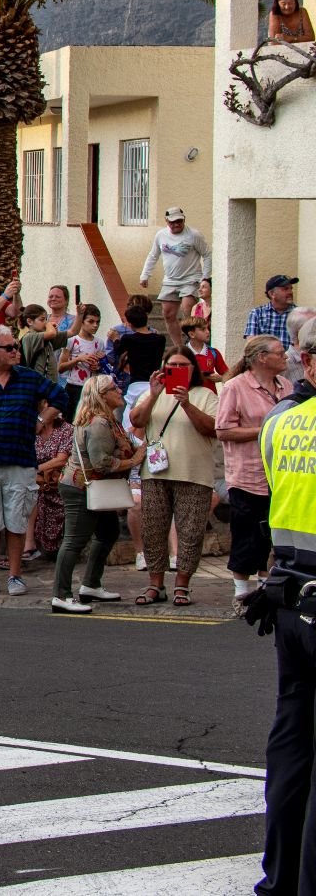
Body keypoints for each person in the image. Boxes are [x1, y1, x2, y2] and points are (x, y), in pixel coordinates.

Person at [256, 317, 316, 894]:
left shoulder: (279, 422)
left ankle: (278, 880)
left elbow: (277, 495)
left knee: (293, 745)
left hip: (290, 594)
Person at [0, 323, 71, 596]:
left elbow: (60, 396)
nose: (15, 351)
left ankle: (16, 576)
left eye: (15, 346)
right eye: (9, 347)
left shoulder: (28, 378)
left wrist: (42, 420)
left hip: (20, 459)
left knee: (17, 520)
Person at [129, 347, 219, 607]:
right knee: (153, 530)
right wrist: (154, 395)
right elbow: (136, 421)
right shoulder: (152, 393)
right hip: (155, 474)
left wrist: (186, 403)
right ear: (163, 367)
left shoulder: (205, 395)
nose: (178, 370)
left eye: (183, 365)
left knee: (190, 532)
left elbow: (211, 428)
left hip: (194, 474)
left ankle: (182, 585)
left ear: (193, 368)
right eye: (173, 365)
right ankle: (155, 585)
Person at [48, 375, 135, 614]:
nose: (119, 390)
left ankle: (91, 585)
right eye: (113, 388)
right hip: (81, 487)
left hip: (94, 486)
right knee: (74, 540)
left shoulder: (108, 420)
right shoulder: (99, 423)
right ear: (101, 395)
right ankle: (61, 595)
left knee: (108, 533)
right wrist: (134, 460)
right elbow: (101, 463)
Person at [218, 334, 290, 601]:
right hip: (247, 475)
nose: (285, 356)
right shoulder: (235, 387)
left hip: (279, 474)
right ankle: (240, 592)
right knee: (247, 534)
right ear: (262, 357)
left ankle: (263, 587)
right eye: (279, 352)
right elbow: (223, 430)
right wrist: (265, 431)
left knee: (269, 533)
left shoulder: (286, 385)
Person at [140, 207, 210, 339]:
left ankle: (192, 342)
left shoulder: (194, 235)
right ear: (166, 221)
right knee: (168, 314)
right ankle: (179, 347)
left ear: (184, 219)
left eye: (179, 221)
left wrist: (205, 277)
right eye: (172, 222)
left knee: (187, 309)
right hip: (170, 279)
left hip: (191, 278)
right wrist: (145, 275)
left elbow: (206, 255)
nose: (176, 224)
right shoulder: (161, 235)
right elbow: (153, 255)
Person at [251, 274, 300, 347]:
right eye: (285, 289)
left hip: (293, 358)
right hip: (266, 358)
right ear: (272, 294)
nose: (290, 292)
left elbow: (304, 345)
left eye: (291, 288)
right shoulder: (257, 313)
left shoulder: (300, 314)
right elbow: (251, 343)